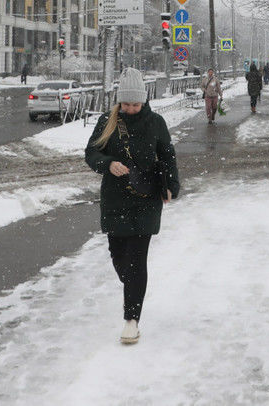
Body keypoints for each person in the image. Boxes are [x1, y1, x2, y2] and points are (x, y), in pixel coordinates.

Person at [84, 68, 180, 345]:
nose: (131, 108)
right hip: (115, 198)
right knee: (119, 257)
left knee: (137, 261)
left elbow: (167, 155)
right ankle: (133, 289)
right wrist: (107, 164)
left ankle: (131, 320)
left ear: (144, 100)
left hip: (146, 198)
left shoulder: (156, 123)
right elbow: (91, 153)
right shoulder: (108, 121)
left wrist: (172, 185)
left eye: (135, 104)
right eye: (126, 104)